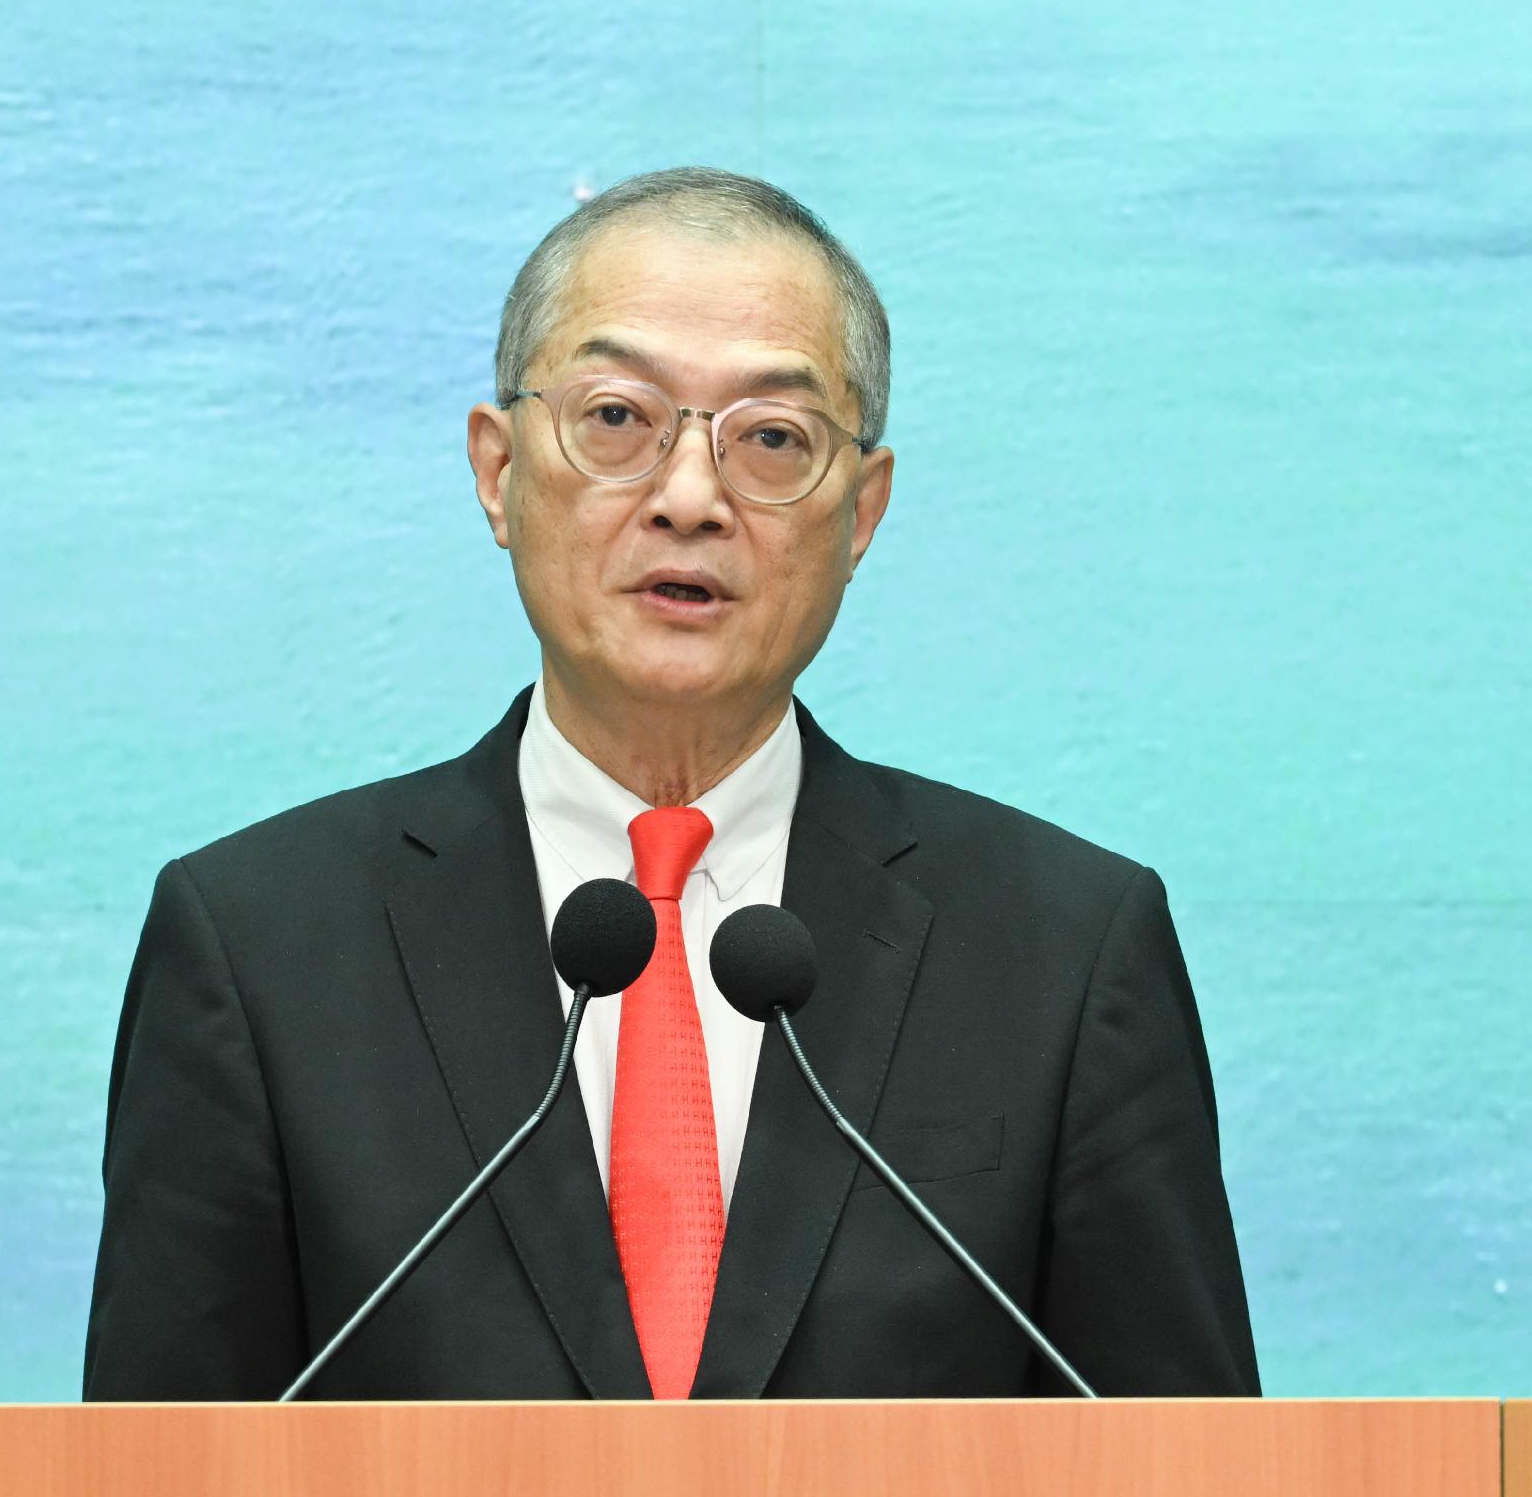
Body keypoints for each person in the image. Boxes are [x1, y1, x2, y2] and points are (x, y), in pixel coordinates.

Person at [82, 169, 1256, 1402]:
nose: (689, 498)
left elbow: (1190, 1485)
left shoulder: (1063, 952)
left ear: (861, 514)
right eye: (615, 418)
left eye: (772, 439)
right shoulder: (260, 950)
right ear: (496, 470)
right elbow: (153, 1489)